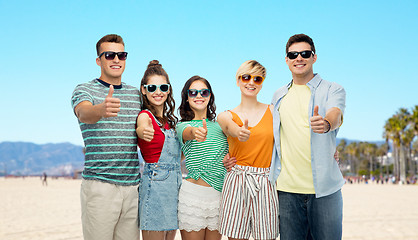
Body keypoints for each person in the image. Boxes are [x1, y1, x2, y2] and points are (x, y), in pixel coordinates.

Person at [269, 33, 346, 240]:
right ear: (286, 60)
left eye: (304, 53)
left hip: (325, 190)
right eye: (293, 55)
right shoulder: (278, 95)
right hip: (286, 191)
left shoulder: (333, 89)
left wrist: (326, 123)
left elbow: (335, 114)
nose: (298, 58)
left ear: (314, 57)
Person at [71, 34, 141, 240]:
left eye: (122, 55)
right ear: (98, 60)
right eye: (109, 55)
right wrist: (100, 109)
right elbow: (83, 113)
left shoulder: (136, 95)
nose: (116, 60)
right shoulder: (84, 89)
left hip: (133, 188)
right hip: (100, 187)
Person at [217, 60, 280, 240]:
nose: (251, 82)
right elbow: (229, 128)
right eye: (246, 77)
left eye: (257, 79)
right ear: (238, 80)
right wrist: (239, 132)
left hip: (266, 181)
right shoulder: (226, 115)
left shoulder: (274, 111)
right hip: (237, 180)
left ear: (262, 83)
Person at [176, 76, 228, 240]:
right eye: (193, 92)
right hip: (193, 197)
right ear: (187, 97)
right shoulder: (182, 126)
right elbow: (189, 132)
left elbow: (230, 154)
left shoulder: (221, 126)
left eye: (204, 92)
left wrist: (229, 160)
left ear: (210, 96)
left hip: (219, 198)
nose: (199, 96)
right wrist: (196, 133)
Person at [136, 60, 181, 240]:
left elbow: (178, 156)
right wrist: (142, 131)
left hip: (176, 186)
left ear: (168, 89)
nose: (158, 92)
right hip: (155, 186)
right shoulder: (145, 116)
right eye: (152, 87)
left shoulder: (171, 121)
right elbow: (142, 127)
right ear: (144, 89)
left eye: (163, 87)